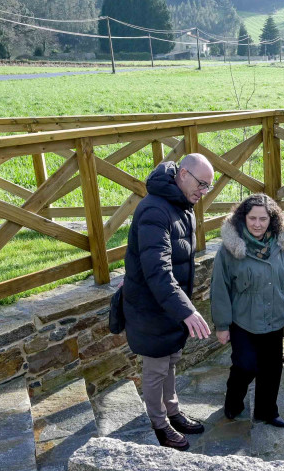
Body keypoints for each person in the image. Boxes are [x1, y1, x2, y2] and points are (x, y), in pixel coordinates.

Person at [122, 153, 215, 451]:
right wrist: (186, 309)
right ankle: (159, 424)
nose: (203, 192)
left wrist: (180, 307)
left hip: (169, 305)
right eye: (201, 184)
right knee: (156, 367)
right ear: (183, 174)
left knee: (171, 359)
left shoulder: (181, 204)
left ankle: (172, 411)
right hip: (151, 307)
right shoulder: (154, 210)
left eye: (208, 187)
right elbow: (158, 270)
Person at [210, 193, 284, 428]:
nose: (257, 224)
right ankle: (234, 402)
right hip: (243, 320)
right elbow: (220, 290)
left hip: (275, 318)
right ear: (242, 219)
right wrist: (222, 325)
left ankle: (267, 411)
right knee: (245, 365)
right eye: (252, 218)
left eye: (263, 219)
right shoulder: (229, 251)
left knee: (271, 369)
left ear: (272, 220)